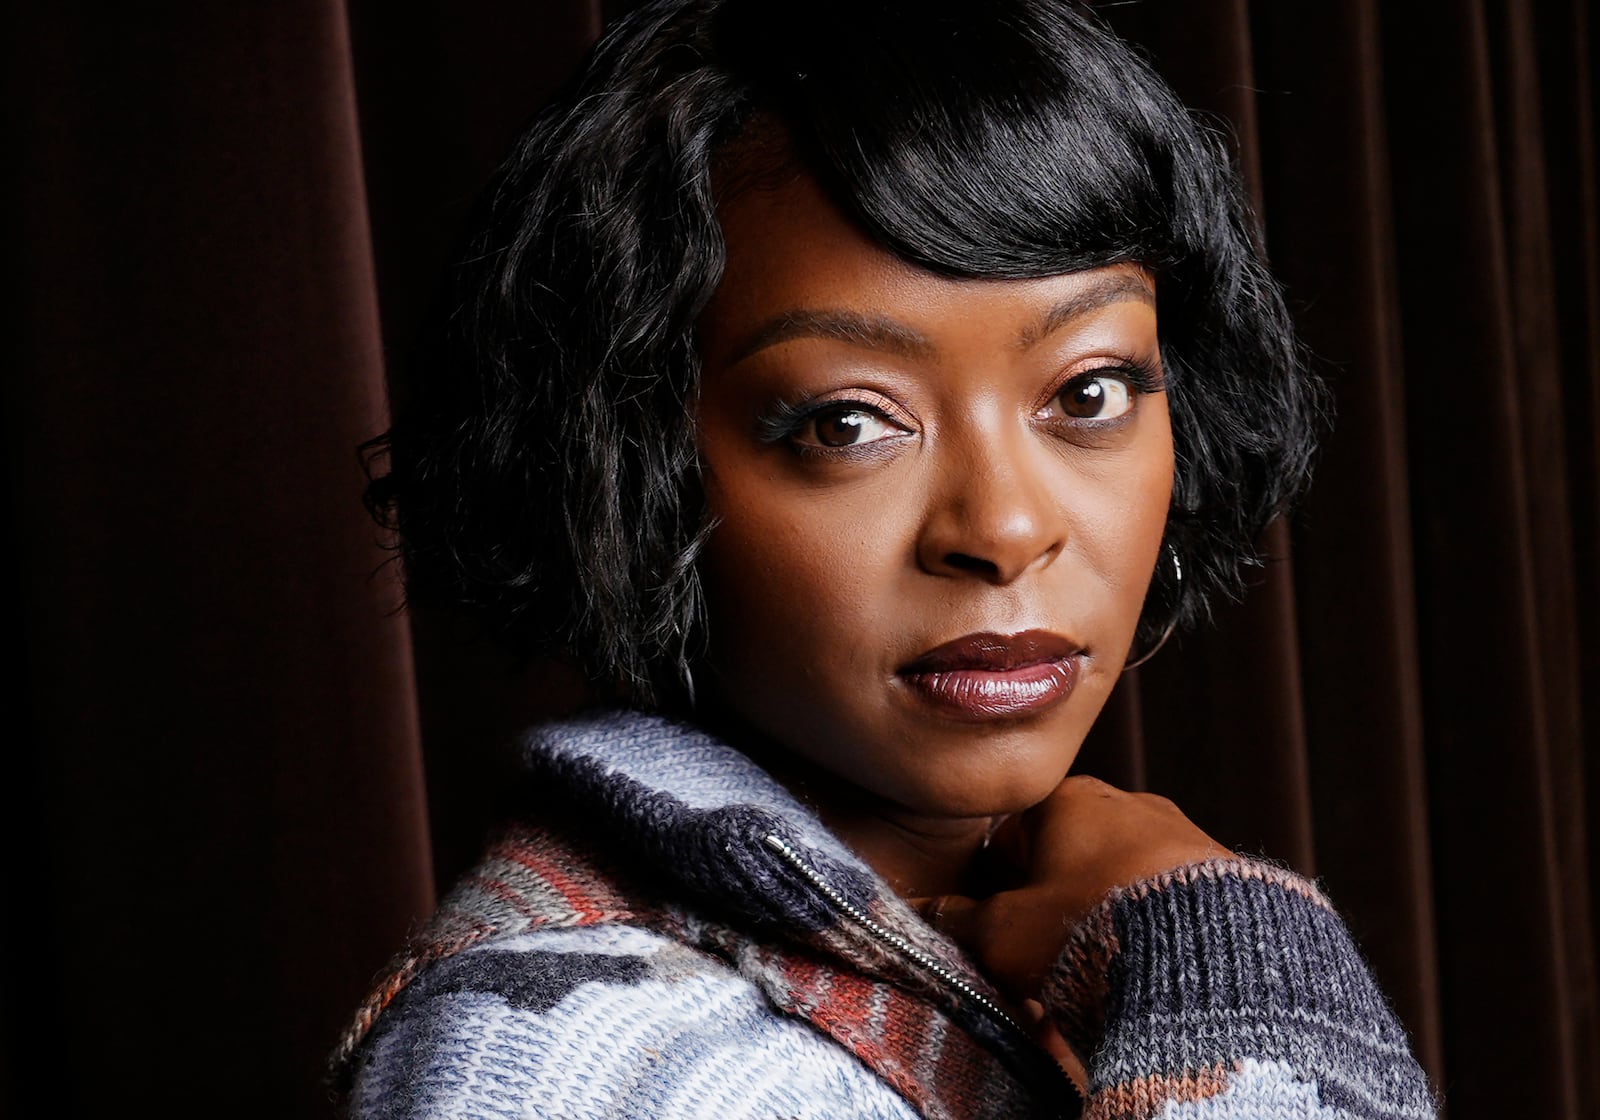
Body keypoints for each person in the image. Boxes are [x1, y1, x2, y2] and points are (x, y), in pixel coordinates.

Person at [333, 1, 1440, 1117]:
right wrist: (1232, 966)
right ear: (625, 462)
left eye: (1088, 393)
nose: (1004, 528)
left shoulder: (1054, 948)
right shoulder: (579, 1056)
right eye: (847, 423)